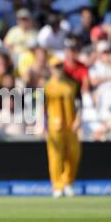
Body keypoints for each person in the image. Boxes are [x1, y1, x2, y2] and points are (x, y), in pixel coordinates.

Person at [45, 58, 81, 199]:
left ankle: (68, 183)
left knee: (73, 155)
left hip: (71, 126)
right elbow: (41, 107)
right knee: (55, 157)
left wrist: (79, 118)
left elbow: (79, 103)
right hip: (54, 127)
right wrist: (41, 125)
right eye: (55, 67)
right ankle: (57, 186)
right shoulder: (47, 86)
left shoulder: (72, 84)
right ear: (50, 69)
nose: (58, 69)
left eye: (60, 66)